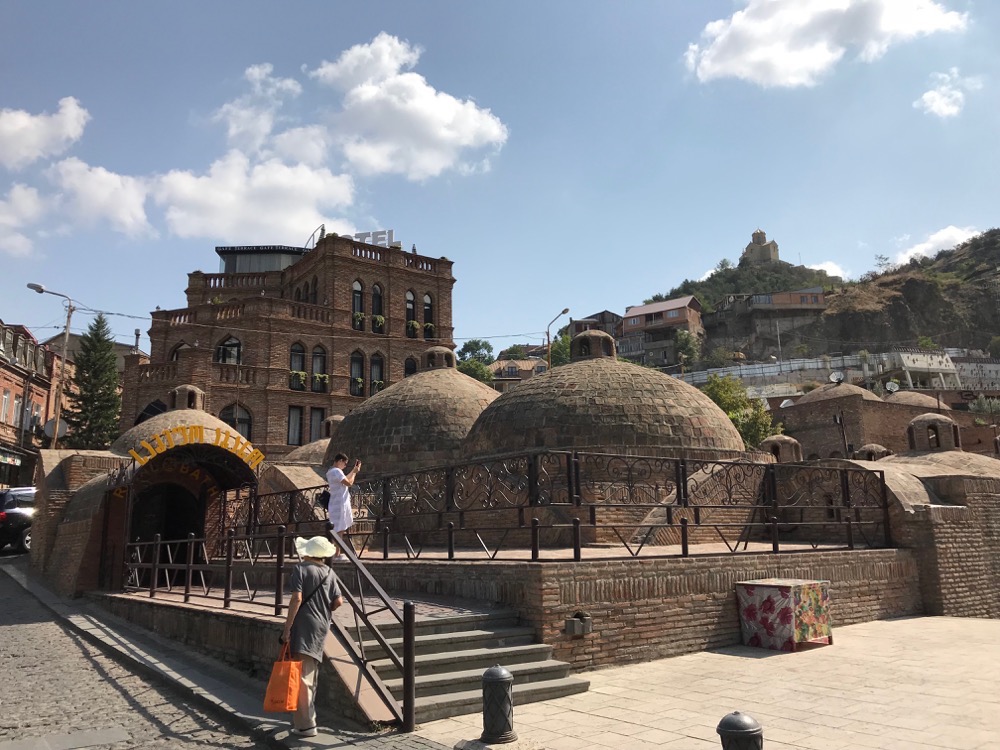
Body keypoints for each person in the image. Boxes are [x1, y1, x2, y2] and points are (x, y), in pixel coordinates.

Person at [281, 535, 344, 737]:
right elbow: (339, 601)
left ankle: (306, 724)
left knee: (303, 677)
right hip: (321, 625)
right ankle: (305, 719)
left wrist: (287, 628)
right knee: (311, 672)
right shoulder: (329, 572)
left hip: (304, 625)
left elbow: (296, 598)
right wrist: (325, 608)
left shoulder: (300, 569)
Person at [325, 453, 361, 556]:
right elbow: (349, 483)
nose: (345, 466)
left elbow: (344, 479)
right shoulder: (336, 471)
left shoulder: (330, 472)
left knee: (337, 528)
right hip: (340, 503)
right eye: (345, 463)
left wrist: (353, 471)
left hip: (335, 502)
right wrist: (354, 473)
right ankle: (336, 553)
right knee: (339, 529)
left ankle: (335, 552)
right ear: (340, 461)